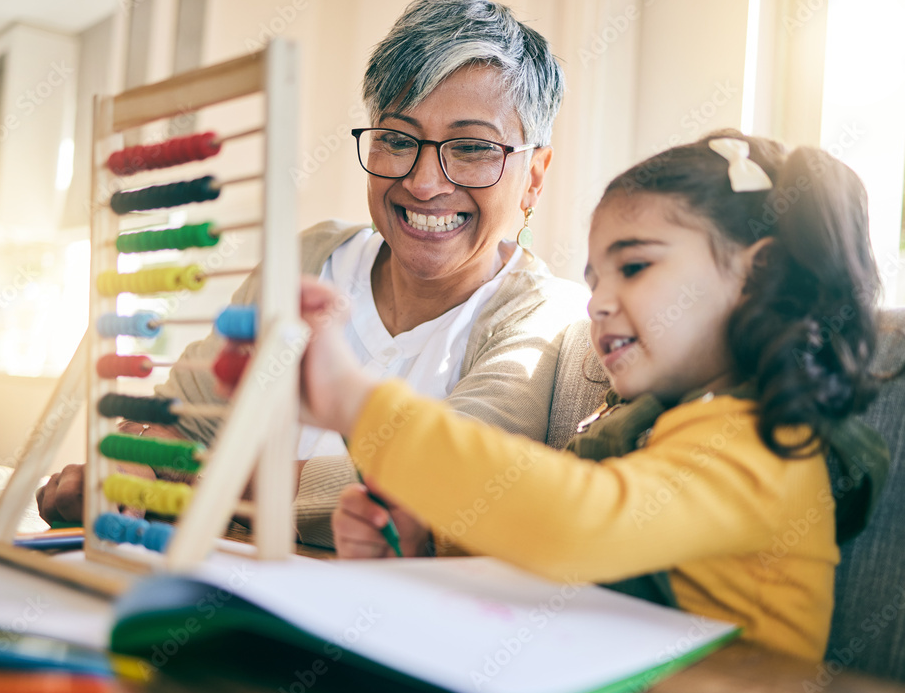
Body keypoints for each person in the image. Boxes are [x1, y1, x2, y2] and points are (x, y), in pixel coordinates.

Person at [299, 131, 890, 662]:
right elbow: (553, 570)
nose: (598, 302)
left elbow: (576, 525)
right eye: (595, 280)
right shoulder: (655, 425)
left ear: (754, 278)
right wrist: (423, 549)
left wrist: (360, 402)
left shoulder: (767, 444)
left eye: (633, 267)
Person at [36, 0, 590, 548]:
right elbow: (181, 422)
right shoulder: (308, 260)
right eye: (397, 139)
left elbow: (442, 486)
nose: (424, 183)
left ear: (535, 175)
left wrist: (197, 475)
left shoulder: (541, 319)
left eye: (471, 148)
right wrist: (136, 467)